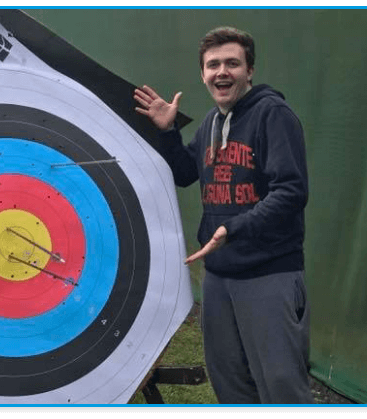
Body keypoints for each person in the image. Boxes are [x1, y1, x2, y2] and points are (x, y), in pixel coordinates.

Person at [134, 26, 313, 404]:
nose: (222, 72)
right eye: (213, 65)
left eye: (232, 63)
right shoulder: (212, 123)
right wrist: (167, 131)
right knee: (229, 382)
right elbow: (185, 173)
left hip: (269, 273)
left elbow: (291, 192)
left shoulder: (273, 115)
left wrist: (232, 228)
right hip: (219, 276)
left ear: (250, 70)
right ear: (202, 74)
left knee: (281, 385)